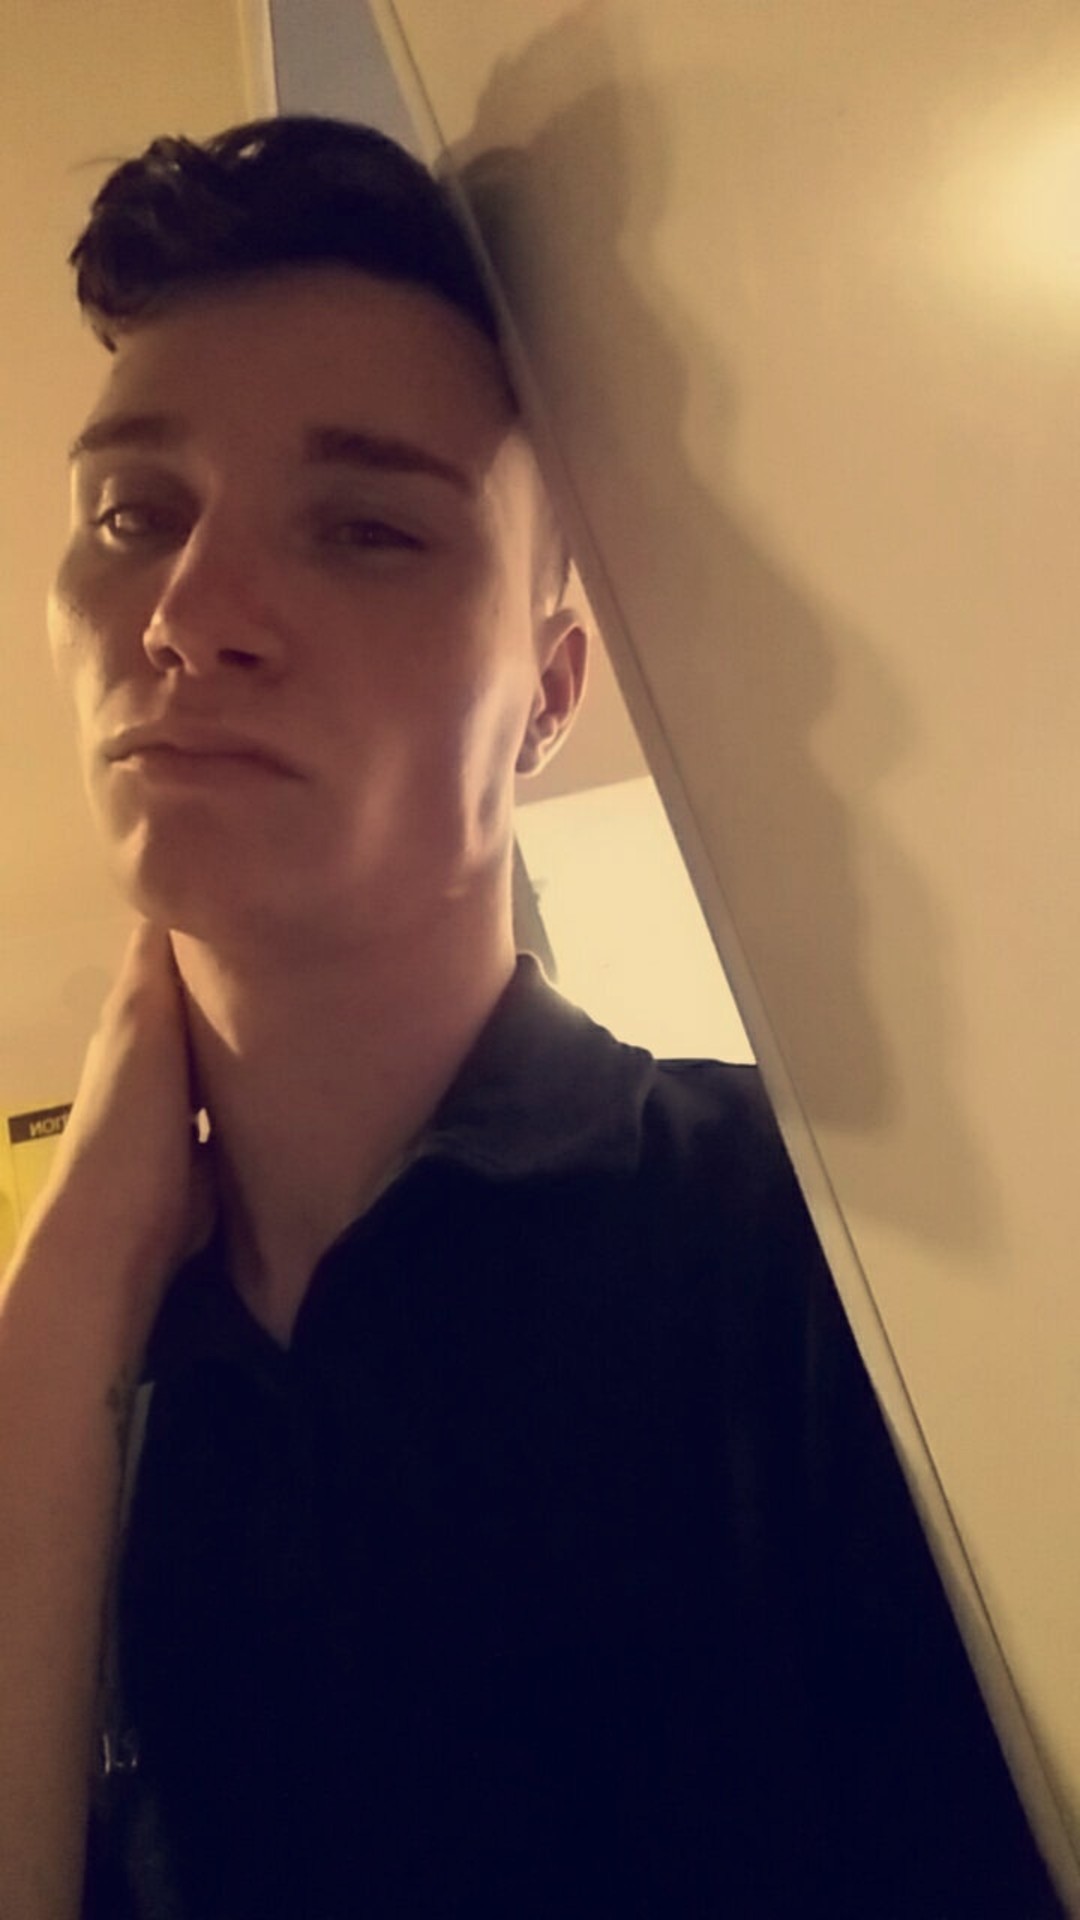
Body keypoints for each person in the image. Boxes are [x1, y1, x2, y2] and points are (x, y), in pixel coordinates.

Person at [0, 115, 1064, 1919]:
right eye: (135, 513)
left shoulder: (819, 1248)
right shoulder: (75, 1375)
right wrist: (61, 1317)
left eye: (365, 529)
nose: (188, 613)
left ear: (551, 694)